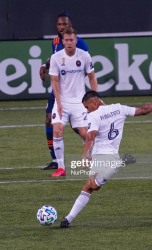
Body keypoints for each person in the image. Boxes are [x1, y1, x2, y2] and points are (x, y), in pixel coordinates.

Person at [60, 90, 152, 228]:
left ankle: (119, 164)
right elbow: (144, 110)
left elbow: (90, 137)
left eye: (87, 107)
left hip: (101, 155)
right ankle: (67, 219)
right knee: (88, 187)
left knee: (93, 185)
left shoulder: (94, 115)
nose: (87, 111)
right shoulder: (119, 108)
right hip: (111, 154)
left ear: (93, 102)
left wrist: (84, 156)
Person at [40, 11, 91, 171]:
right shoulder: (56, 41)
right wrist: (45, 65)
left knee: (77, 128)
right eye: (59, 24)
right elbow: (55, 57)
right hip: (58, 90)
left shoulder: (80, 43)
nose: (62, 27)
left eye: (65, 24)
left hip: (74, 94)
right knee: (50, 121)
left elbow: (86, 66)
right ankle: (56, 161)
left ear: (71, 25)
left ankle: (92, 144)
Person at [49, 27, 98, 177]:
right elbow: (55, 81)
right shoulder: (56, 58)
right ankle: (61, 167)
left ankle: (90, 159)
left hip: (79, 103)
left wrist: (95, 98)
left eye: (72, 40)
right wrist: (58, 103)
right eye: (66, 40)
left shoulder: (84, 56)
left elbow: (92, 77)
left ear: (76, 41)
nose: (69, 43)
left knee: (85, 134)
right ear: (62, 41)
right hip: (62, 101)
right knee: (57, 130)